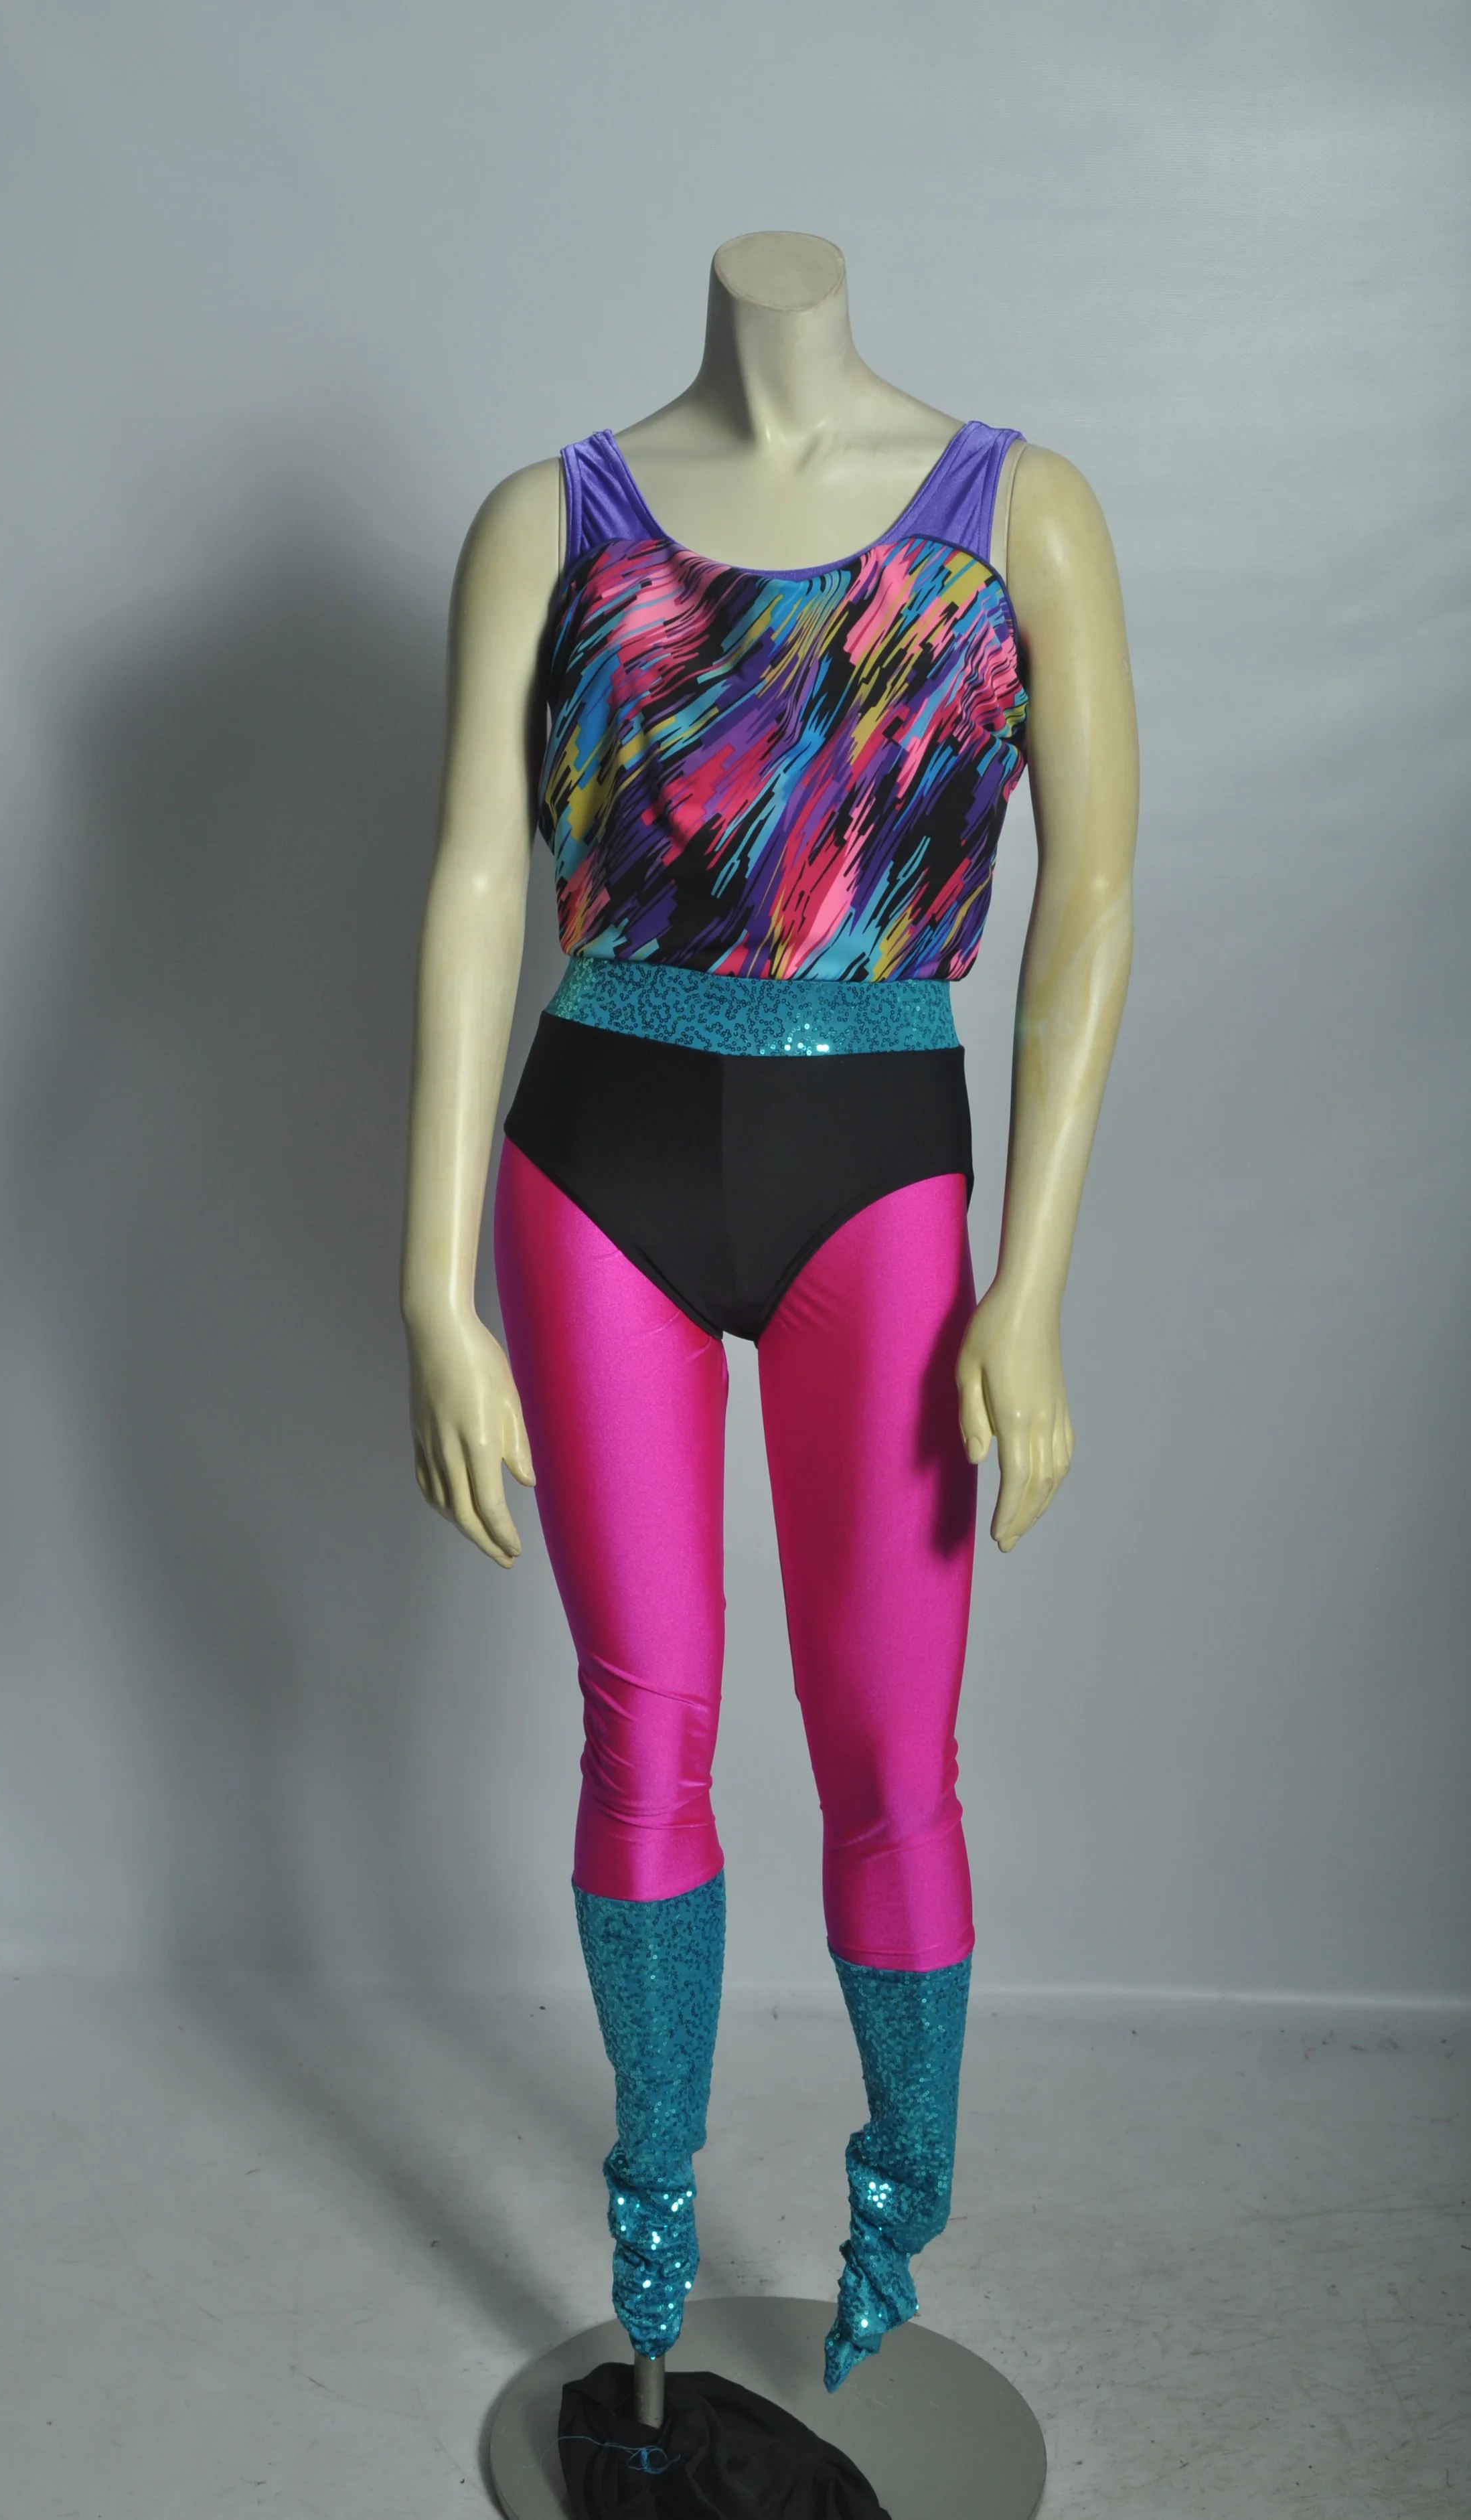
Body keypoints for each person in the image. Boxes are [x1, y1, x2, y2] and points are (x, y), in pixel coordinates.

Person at [400, 231, 1138, 2394]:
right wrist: (429, 1284)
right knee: (643, 1731)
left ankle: (894, 2215)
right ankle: (647, 2238)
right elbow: (472, 886)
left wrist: (1033, 1286)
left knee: (889, 1751)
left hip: (877, 1174)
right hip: (591, 1167)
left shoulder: (1016, 513)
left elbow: (1091, 891)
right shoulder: (547, 522)